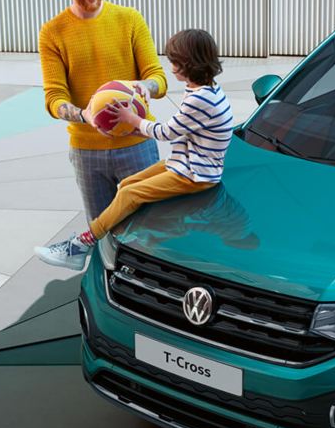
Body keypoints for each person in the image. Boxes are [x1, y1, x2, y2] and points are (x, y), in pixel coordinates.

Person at [37, 28, 234, 269]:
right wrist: (136, 125)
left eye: (174, 61)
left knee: (130, 195)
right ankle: (110, 242)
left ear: (188, 64)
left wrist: (131, 119)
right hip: (187, 162)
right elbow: (181, 129)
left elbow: (166, 132)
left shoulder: (199, 99)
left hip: (196, 174)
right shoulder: (206, 90)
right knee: (127, 185)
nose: (170, 66)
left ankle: (80, 245)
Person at [37, 0, 167, 256]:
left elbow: (159, 80)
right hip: (87, 153)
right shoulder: (53, 32)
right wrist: (86, 115)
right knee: (103, 235)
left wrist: (139, 88)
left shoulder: (130, 20)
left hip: (138, 144)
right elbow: (54, 97)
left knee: (149, 232)